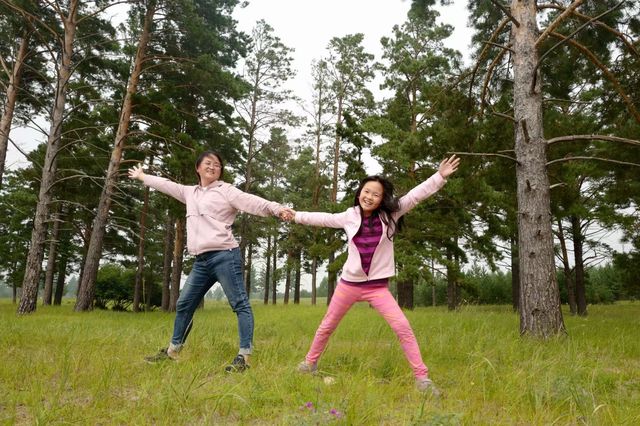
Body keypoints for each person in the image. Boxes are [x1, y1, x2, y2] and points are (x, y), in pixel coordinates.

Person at [288, 155, 460, 393]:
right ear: (360, 192)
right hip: (349, 284)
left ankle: (422, 379)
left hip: (377, 288)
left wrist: (439, 177)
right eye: (366, 191)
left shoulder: (389, 215)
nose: (369, 197)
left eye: (375, 194)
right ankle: (309, 363)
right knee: (327, 326)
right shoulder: (349, 216)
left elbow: (415, 195)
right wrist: (295, 215)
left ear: (382, 199)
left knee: (403, 327)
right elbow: (323, 218)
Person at [128, 151, 292, 372]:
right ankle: (173, 352)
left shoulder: (226, 191)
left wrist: (276, 208)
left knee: (239, 304)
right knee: (184, 304)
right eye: (208, 163)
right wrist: (142, 176)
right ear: (198, 168)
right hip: (201, 261)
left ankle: (245, 357)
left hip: (225, 255)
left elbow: (251, 201)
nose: (213, 167)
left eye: (217, 164)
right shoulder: (189, 193)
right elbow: (166, 184)